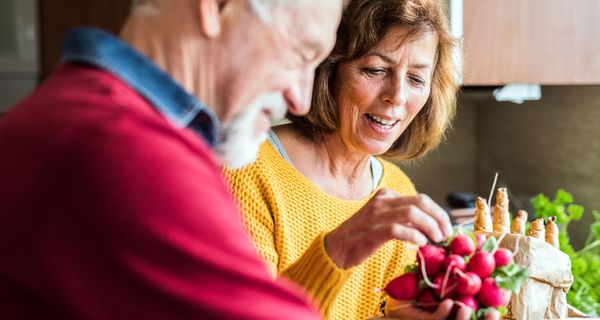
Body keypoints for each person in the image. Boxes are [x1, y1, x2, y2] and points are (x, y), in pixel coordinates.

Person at [0, 0, 343, 318]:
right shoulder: (128, 151)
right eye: (300, 54)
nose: (301, 100)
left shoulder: (75, 107)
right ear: (216, 8)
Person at [224, 0, 470, 319]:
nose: (396, 95)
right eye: (376, 69)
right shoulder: (246, 170)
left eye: (416, 79)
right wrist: (336, 251)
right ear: (329, 71)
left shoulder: (398, 189)